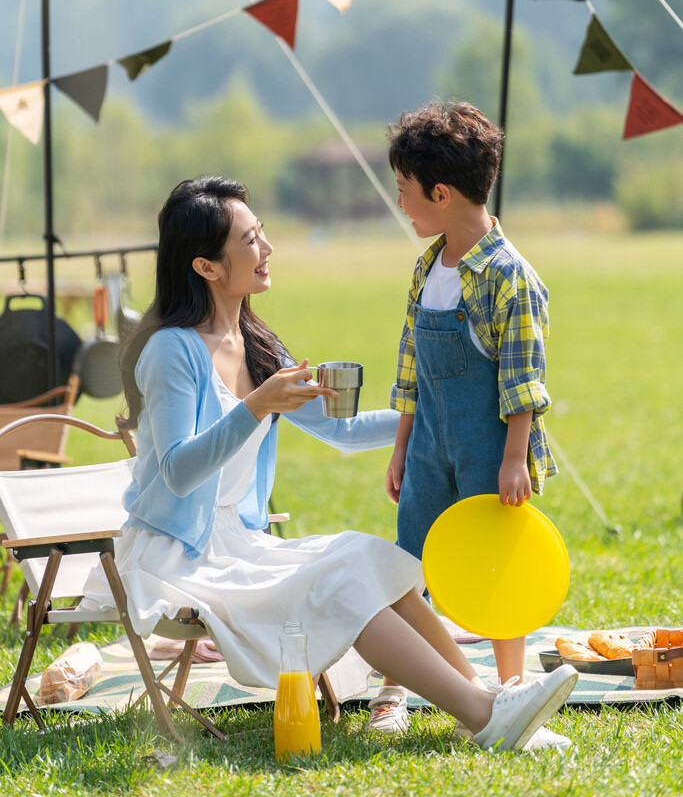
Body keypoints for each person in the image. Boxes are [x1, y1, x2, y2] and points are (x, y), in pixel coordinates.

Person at [82, 175, 576, 752]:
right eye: (249, 241)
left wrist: (444, 418)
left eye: (261, 234)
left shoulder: (256, 341)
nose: (266, 250)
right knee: (341, 584)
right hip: (177, 556)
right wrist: (255, 406)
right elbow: (176, 470)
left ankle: (491, 704)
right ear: (207, 267)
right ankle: (485, 716)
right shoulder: (170, 350)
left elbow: (340, 431)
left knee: (367, 554)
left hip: (237, 545)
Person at [370, 101, 565, 749]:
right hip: (428, 444)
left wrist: (514, 457)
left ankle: (509, 691)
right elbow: (409, 370)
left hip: (489, 444)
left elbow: (524, 380)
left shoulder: (510, 277)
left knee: (494, 567)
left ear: (441, 192)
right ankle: (395, 689)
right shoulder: (427, 266)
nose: (401, 203)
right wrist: (400, 448)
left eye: (405, 191)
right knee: (406, 564)